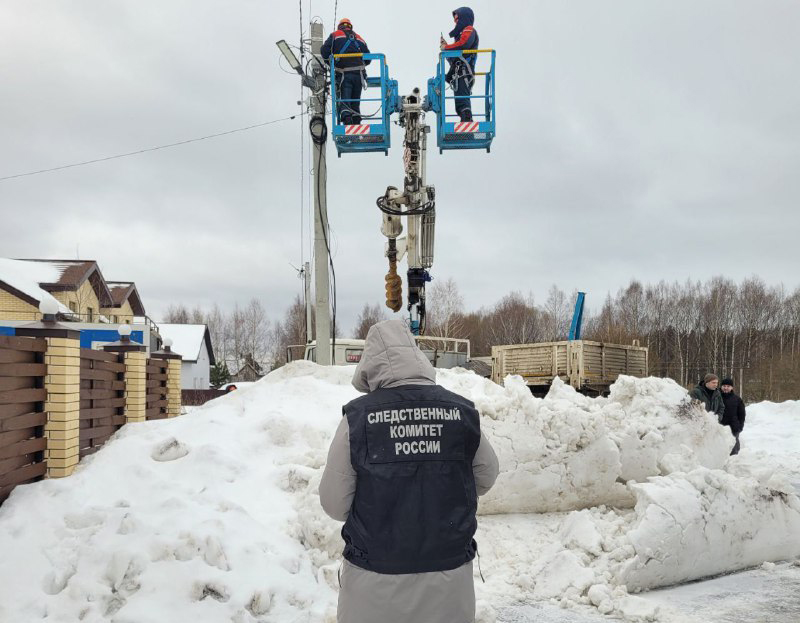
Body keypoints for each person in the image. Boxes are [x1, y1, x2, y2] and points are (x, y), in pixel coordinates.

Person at [320, 319, 500, 623]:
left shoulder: (358, 419)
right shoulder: (460, 412)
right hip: (449, 582)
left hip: (373, 583)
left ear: (369, 365)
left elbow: (334, 504)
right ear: (415, 355)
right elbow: (486, 476)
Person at [321, 18, 371, 125]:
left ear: (340, 26)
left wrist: (331, 63)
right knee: (355, 101)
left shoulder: (335, 35)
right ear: (350, 26)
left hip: (344, 74)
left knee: (345, 100)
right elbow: (368, 58)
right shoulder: (359, 38)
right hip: (359, 76)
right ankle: (356, 121)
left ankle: (347, 121)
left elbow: (324, 51)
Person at [440, 7, 479, 122]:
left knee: (463, 98)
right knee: (459, 101)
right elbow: (454, 58)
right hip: (458, 72)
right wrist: (446, 49)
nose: (455, 21)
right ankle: (464, 118)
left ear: (464, 17)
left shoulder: (469, 29)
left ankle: (467, 120)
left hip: (464, 71)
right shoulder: (459, 38)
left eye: (457, 18)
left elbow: (464, 44)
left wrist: (446, 47)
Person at [720, 378, 746, 455]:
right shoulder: (717, 397)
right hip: (720, 427)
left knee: (734, 448)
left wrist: (740, 427)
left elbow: (742, 415)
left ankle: (734, 463)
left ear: (732, 388)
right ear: (721, 387)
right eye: (724, 386)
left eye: (728, 386)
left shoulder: (737, 399)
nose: (726, 388)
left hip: (733, 428)